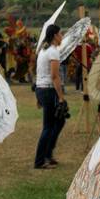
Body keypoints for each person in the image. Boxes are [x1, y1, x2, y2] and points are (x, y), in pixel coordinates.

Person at [33, 24, 67, 169]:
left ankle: (48, 154)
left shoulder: (43, 50)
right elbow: (54, 76)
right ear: (54, 36)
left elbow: (40, 72)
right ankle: (40, 160)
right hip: (48, 90)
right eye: (60, 34)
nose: (62, 37)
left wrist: (38, 97)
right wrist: (61, 97)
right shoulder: (53, 51)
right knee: (48, 126)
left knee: (59, 121)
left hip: (41, 89)